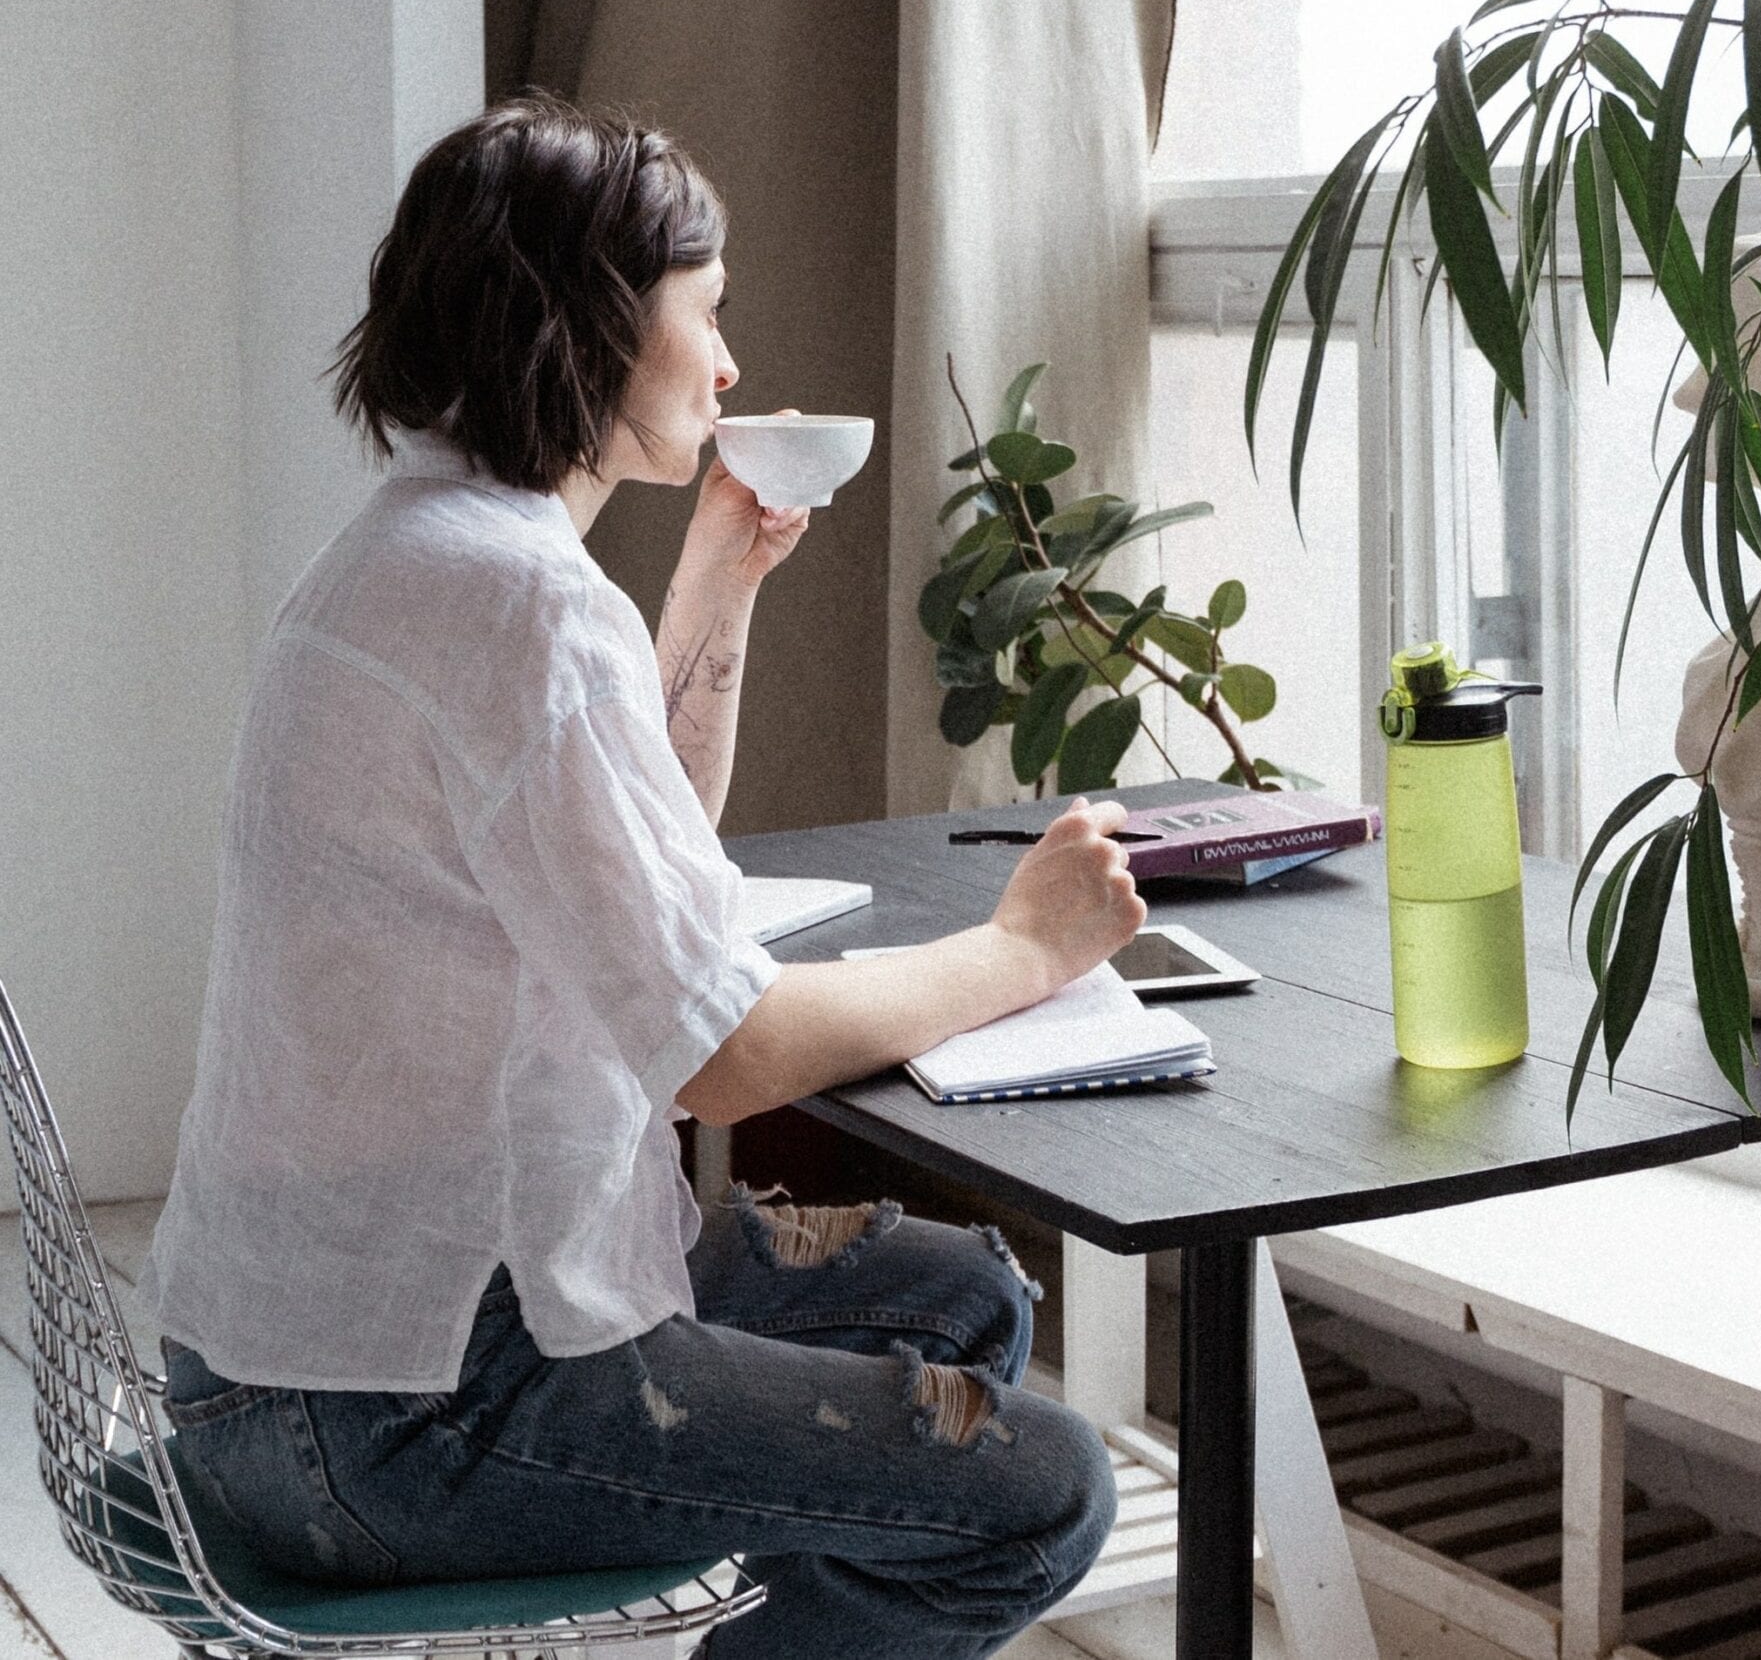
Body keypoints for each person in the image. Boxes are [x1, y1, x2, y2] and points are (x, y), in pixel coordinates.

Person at [137, 95, 1138, 1660]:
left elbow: (644, 870)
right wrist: (1027, 949)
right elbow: (727, 1058)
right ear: (594, 321)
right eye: (708, 311)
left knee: (962, 1303)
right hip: (401, 1412)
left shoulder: (422, 551)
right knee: (1048, 1486)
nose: (730, 364)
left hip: (307, 1347)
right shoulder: (517, 603)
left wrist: (716, 580)